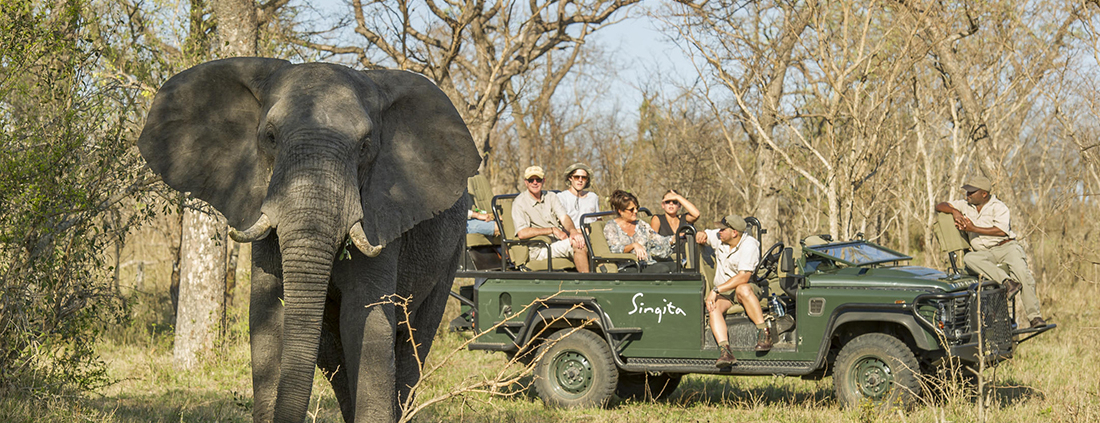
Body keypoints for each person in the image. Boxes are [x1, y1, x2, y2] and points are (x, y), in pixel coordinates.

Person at [935, 175, 1046, 328]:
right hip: (983, 253)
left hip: (1006, 247)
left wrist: (973, 229)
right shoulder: (965, 205)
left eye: (971, 192)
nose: (968, 195)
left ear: (984, 194)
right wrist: (954, 212)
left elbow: (1001, 231)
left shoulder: (999, 207)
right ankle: (1007, 283)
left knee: (1024, 275)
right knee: (969, 259)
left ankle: (1035, 317)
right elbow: (940, 205)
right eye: (967, 192)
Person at [695, 214, 767, 367]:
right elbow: (706, 235)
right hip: (725, 293)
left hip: (745, 289)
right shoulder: (721, 238)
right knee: (713, 307)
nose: (719, 231)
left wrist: (715, 290)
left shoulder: (750, 244)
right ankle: (725, 351)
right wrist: (702, 234)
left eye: (722, 229)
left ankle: (764, 332)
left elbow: (743, 277)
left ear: (734, 232)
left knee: (743, 289)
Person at [512, 166, 590, 273]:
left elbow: (564, 217)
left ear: (543, 180)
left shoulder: (551, 196)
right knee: (579, 244)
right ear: (526, 182)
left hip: (558, 242)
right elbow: (522, 233)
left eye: (538, 180)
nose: (535, 183)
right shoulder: (520, 202)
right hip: (541, 248)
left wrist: (573, 231)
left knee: (588, 236)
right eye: (531, 180)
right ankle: (587, 283)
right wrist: (552, 230)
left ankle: (608, 276)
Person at [603, 190, 676, 273]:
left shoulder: (642, 225)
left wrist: (673, 239)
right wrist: (633, 245)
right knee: (662, 269)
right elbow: (614, 249)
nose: (636, 211)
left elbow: (658, 240)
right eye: (631, 209)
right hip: (628, 267)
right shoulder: (611, 226)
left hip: (647, 264)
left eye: (637, 208)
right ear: (621, 211)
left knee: (676, 267)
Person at [558, 163, 600, 230]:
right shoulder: (562, 197)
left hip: (593, 234)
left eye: (584, 178)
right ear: (570, 178)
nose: (580, 180)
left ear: (587, 180)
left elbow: (599, 219)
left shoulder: (593, 197)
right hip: (572, 236)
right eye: (577, 177)